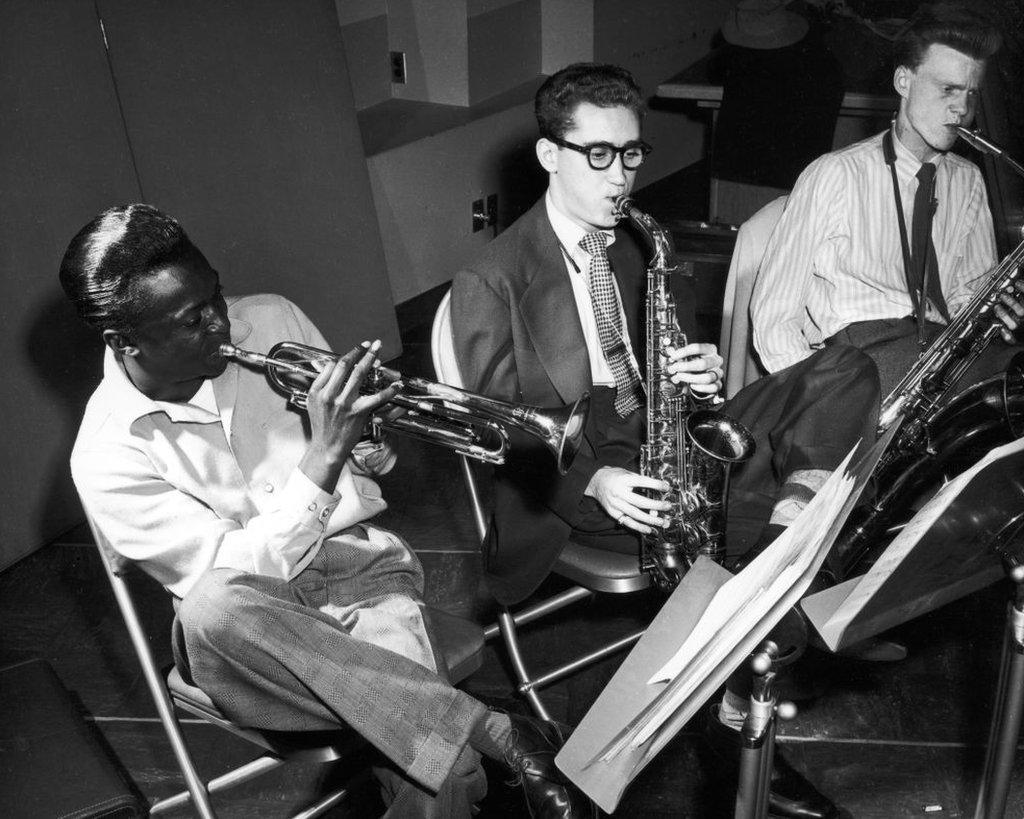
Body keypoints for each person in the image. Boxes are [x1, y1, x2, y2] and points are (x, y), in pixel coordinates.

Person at [60, 203, 598, 819]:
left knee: (442, 776)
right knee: (213, 604)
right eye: (193, 320)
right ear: (124, 341)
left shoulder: (271, 318)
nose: (224, 326)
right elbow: (241, 578)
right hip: (247, 640)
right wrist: (322, 454)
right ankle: (502, 733)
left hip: (362, 575)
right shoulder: (106, 454)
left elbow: (366, 478)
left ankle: (475, 743)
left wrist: (366, 444)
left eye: (217, 296)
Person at [450, 62, 880, 819]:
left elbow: (671, 376)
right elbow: (498, 423)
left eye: (632, 152)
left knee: (847, 367)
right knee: (779, 551)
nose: (622, 176)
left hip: (666, 432)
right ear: (551, 154)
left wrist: (703, 376)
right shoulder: (490, 278)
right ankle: (737, 711)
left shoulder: (642, 243)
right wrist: (593, 484)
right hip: (575, 468)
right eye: (599, 155)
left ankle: (786, 527)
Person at [750, 1, 1022, 398]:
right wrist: (817, 404)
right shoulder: (835, 174)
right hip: (858, 359)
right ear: (903, 82)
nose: (961, 109)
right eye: (947, 89)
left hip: (940, 355)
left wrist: (993, 314)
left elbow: (966, 296)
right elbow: (774, 317)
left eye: (971, 94)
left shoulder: (969, 180)